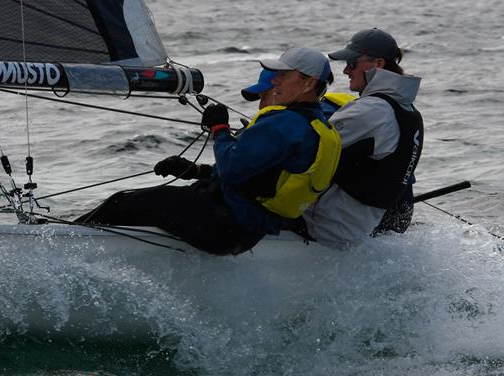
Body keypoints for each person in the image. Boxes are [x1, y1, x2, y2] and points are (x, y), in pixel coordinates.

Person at [77, 47, 341, 255]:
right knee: (150, 206)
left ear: (308, 83)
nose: (275, 80)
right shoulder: (317, 124)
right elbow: (257, 174)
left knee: (120, 203)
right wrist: (196, 171)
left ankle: (58, 246)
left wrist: (220, 128)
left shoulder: (286, 124)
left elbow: (232, 169)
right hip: (245, 231)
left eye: (284, 75)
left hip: (222, 222)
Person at [301, 28, 424, 248]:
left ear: (377, 64)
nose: (346, 70)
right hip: (361, 227)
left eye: (352, 63)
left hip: (328, 230)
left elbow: (304, 146)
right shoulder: (406, 108)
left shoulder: (372, 110)